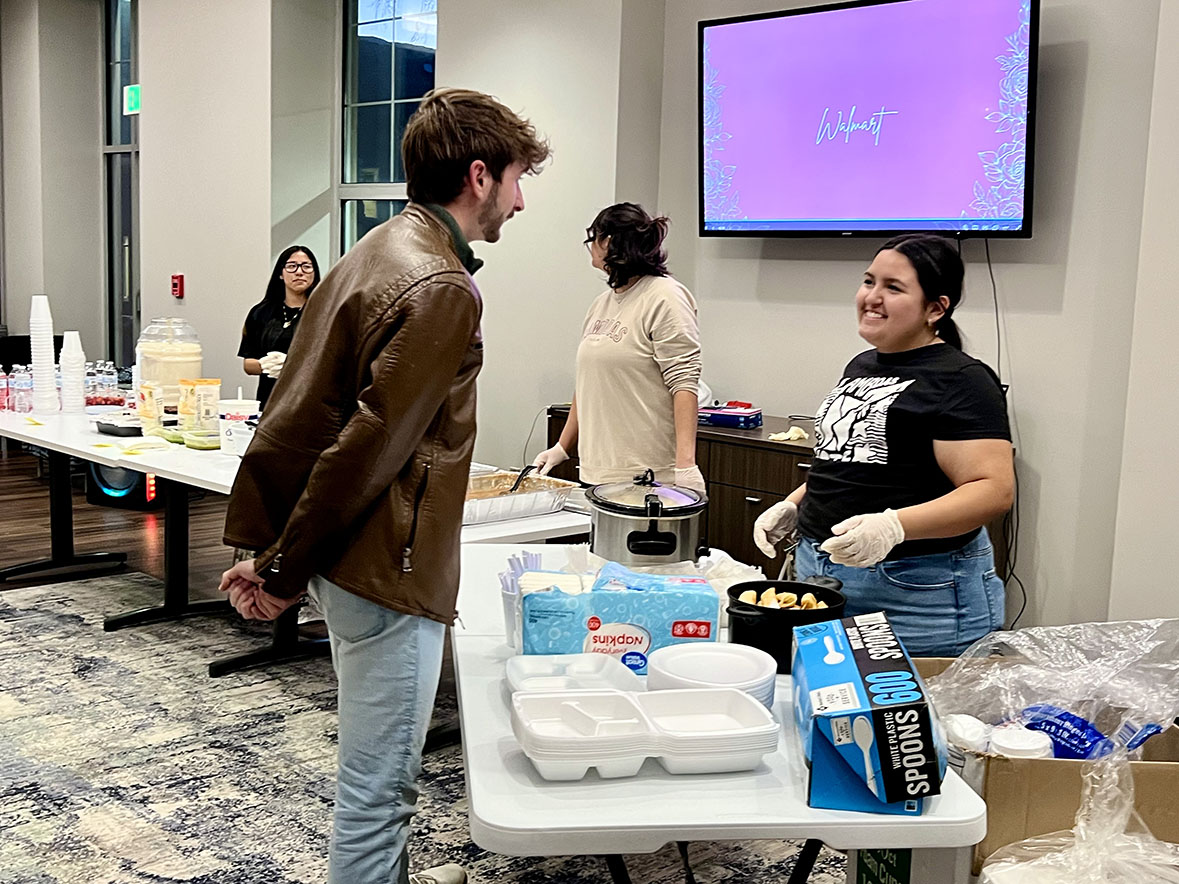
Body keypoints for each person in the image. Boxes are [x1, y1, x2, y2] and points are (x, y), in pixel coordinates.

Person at [218, 87, 550, 884]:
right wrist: (278, 568)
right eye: (514, 178)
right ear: (478, 175)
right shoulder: (439, 285)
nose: (520, 199)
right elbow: (366, 450)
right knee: (377, 791)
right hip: (386, 567)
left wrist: (276, 547)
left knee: (374, 780)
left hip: (354, 560)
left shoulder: (372, 250)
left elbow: (302, 416)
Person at [752, 234, 1013, 656]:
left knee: (916, 720)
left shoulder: (963, 379)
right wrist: (795, 505)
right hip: (821, 573)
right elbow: (848, 458)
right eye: (869, 281)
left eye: (893, 287)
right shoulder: (862, 365)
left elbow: (993, 490)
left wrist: (893, 526)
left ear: (935, 308)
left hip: (915, 593)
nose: (872, 297)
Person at [533, 203, 705, 493]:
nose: (590, 248)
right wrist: (562, 446)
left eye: (593, 239)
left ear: (608, 242)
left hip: (647, 474)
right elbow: (588, 383)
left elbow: (684, 382)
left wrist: (685, 465)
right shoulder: (602, 304)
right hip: (597, 468)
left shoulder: (665, 298)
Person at [238, 244, 321, 409]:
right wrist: (266, 365)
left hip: (310, 401)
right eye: (291, 266)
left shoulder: (324, 312)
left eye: (306, 266)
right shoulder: (261, 313)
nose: (299, 272)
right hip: (270, 401)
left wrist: (292, 366)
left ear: (314, 274)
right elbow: (248, 364)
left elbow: (335, 362)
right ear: (281, 274)